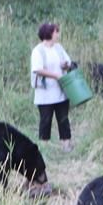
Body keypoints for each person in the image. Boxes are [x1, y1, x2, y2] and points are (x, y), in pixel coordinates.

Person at [30, 22, 75, 152]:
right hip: (45, 93)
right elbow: (37, 69)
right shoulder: (37, 51)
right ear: (49, 33)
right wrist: (55, 75)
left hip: (61, 91)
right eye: (56, 32)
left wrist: (65, 65)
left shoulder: (59, 48)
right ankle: (44, 148)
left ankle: (66, 144)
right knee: (45, 120)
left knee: (63, 118)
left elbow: (68, 63)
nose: (58, 34)